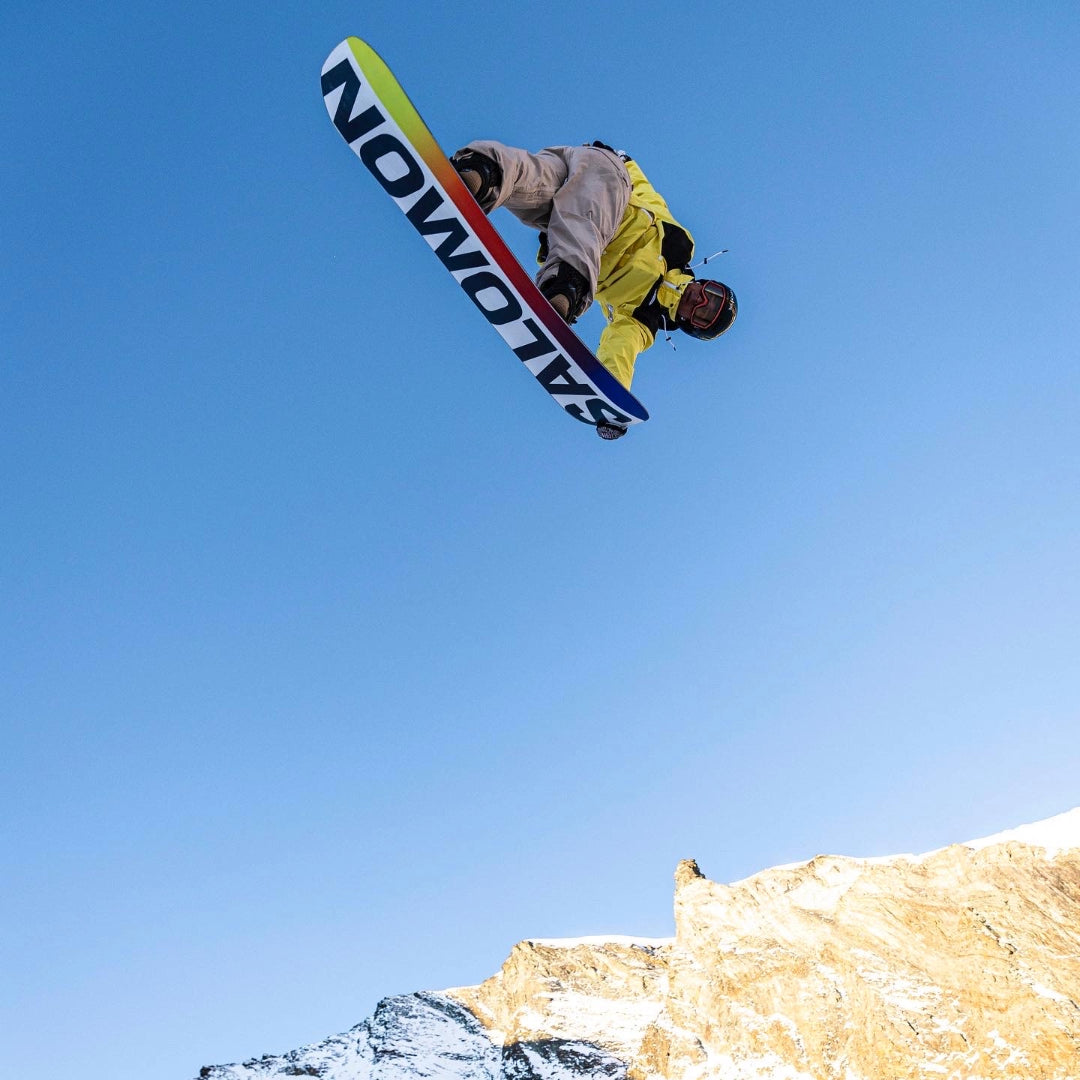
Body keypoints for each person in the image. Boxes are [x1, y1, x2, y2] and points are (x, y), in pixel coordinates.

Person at [451, 140, 737, 439]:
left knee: (537, 183)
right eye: (712, 293)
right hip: (608, 178)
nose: (700, 299)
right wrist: (625, 161)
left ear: (691, 325)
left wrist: (612, 402)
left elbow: (620, 351)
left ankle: (484, 175)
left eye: (704, 311)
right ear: (707, 282)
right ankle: (564, 286)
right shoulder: (679, 245)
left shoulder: (642, 318)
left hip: (572, 217)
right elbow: (649, 196)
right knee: (570, 200)